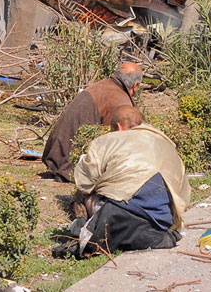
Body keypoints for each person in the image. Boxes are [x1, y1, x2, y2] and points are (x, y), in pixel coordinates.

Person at [68, 106, 191, 257]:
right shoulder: (169, 146)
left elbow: (84, 182)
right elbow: (184, 195)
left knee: (86, 195)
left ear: (118, 127)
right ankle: (147, 234)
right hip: (162, 219)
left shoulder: (109, 140)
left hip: (121, 211)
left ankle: (97, 228)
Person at [41, 62, 143, 182]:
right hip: (70, 165)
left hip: (56, 156)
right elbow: (120, 139)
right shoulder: (121, 101)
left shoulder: (101, 85)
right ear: (135, 85)